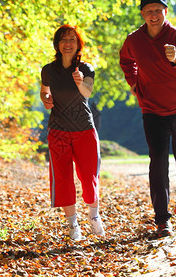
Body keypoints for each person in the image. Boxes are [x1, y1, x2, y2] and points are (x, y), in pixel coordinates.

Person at [119, 0, 176, 238]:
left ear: (165, 12)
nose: (154, 15)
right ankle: (162, 219)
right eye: (149, 11)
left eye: (158, 10)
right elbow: (126, 61)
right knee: (158, 163)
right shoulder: (134, 40)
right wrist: (134, 84)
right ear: (142, 15)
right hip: (153, 109)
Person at [40, 24, 104, 240]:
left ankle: (94, 217)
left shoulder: (85, 68)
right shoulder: (48, 70)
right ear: (57, 44)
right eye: (63, 40)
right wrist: (46, 100)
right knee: (63, 177)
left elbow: (87, 92)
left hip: (84, 129)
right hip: (58, 130)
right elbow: (45, 92)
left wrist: (79, 83)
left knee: (89, 176)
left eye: (72, 40)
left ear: (78, 45)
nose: (68, 44)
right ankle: (73, 225)